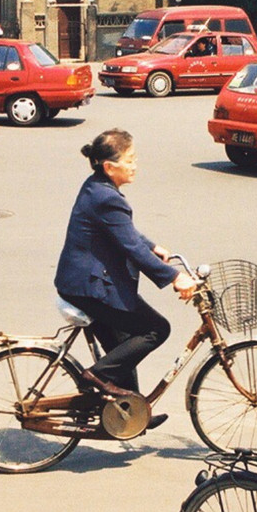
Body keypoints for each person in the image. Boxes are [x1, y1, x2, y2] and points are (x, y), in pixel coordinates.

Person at [54, 129, 196, 419]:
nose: (135, 165)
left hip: (79, 281)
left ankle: (133, 411)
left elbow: (124, 233)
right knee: (157, 328)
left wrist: (153, 246)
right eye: (129, 160)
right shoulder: (108, 198)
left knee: (124, 348)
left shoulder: (96, 186)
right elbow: (131, 246)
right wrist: (174, 277)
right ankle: (93, 376)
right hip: (89, 288)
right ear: (110, 166)